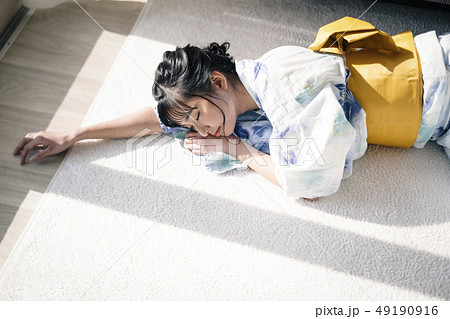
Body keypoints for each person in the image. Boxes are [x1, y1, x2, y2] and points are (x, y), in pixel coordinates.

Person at [13, 27, 450, 199]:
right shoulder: (237, 94)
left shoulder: (281, 82)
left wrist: (236, 150)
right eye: (194, 125)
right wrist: (75, 133)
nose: (200, 129)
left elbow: (312, 181)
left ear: (217, 82)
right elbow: (156, 118)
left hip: (439, 80)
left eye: (199, 115)